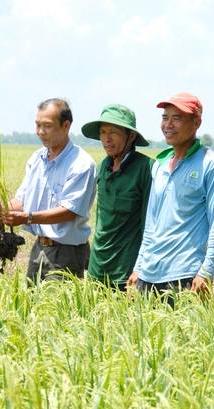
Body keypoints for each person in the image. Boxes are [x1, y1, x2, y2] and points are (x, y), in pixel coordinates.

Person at [128, 92, 214, 306]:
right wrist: (139, 266)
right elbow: (151, 224)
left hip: (185, 276)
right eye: (165, 118)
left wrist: (206, 272)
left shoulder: (213, 164)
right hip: (149, 274)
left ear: (196, 123)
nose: (168, 125)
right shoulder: (159, 165)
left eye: (177, 118)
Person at [0, 98, 97, 282]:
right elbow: (21, 201)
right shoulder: (37, 159)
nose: (40, 132)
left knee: (58, 307)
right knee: (33, 306)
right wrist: (1, 208)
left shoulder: (81, 164)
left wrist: (26, 218)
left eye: (47, 126)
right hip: (39, 247)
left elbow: (69, 211)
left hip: (66, 251)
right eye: (38, 125)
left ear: (66, 126)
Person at [80, 104, 153, 291]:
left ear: (131, 136)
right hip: (97, 268)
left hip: (126, 272)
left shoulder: (147, 168)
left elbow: (150, 224)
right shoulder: (104, 165)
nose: (106, 139)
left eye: (113, 132)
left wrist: (141, 268)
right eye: (103, 132)